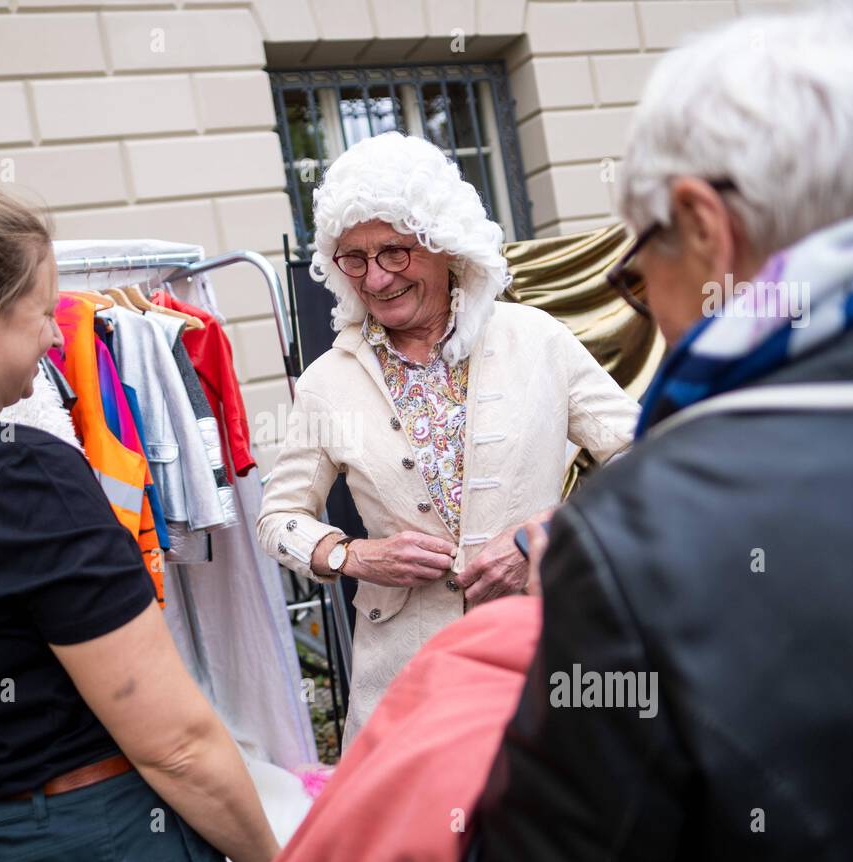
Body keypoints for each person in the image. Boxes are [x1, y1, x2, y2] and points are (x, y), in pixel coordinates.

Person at [471, 0, 853, 862]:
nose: (649, 305)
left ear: (704, 227)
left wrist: (598, 588)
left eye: (638, 269)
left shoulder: (641, 536)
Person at [0, 142, 279, 862]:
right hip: (89, 835)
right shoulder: (22, 472)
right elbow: (175, 744)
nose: (53, 335)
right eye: (41, 314)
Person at [258, 132, 640, 746]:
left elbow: (642, 457)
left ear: (445, 247)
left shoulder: (535, 338)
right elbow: (278, 517)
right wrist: (352, 556)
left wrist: (543, 536)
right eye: (353, 258)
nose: (376, 279)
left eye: (395, 252)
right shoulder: (326, 381)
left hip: (547, 649)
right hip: (405, 680)